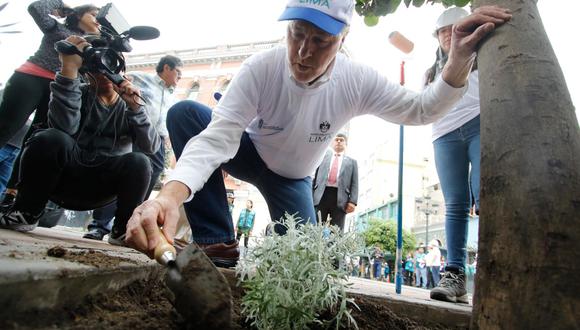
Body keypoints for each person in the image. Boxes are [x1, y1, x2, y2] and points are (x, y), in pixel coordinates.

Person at [125, 0, 512, 268]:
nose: (303, 53)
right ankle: (217, 241)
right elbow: (217, 138)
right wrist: (168, 197)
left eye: (321, 41)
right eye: (297, 34)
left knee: (302, 261)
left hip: (293, 179)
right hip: (249, 153)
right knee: (186, 113)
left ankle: (285, 251)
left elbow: (422, 109)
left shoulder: (356, 79)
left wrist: (459, 61)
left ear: (343, 38)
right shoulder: (262, 67)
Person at [0, 35, 160, 243]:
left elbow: (151, 147)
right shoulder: (72, 93)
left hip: (101, 187)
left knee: (140, 161)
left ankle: (122, 230)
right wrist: (68, 72)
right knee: (50, 137)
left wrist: (136, 109)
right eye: (98, 68)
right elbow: (64, 128)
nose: (106, 74)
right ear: (86, 72)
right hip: (61, 180)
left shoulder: (131, 106)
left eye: (112, 67)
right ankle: (26, 213)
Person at [0, 1, 100, 207]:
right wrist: (64, 7)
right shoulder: (58, 27)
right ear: (79, 15)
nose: (97, 19)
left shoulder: (97, 44)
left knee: (35, 140)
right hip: (31, 78)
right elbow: (36, 7)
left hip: (60, 90)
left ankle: (12, 193)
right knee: (6, 127)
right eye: (93, 14)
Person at [83, 55, 183, 241]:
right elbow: (116, 83)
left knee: (146, 180)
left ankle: (125, 226)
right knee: (123, 174)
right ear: (167, 68)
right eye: (178, 72)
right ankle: (99, 226)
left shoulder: (171, 95)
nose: (180, 77)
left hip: (157, 140)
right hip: (136, 132)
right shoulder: (139, 77)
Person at [425, 7, 482, 304]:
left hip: (480, 124)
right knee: (455, 204)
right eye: (442, 31)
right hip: (444, 135)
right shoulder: (430, 71)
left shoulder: (484, 55)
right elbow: (422, 106)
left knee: (485, 192)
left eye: (454, 27)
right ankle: (455, 275)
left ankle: (492, 268)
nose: (448, 34)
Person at [312, 133, 358, 231]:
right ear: (332, 142)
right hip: (320, 195)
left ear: (346, 144)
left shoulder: (352, 162)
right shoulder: (321, 157)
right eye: (336, 139)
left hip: (341, 199)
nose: (338, 142)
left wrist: (353, 201)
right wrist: (310, 195)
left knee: (336, 230)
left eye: (341, 140)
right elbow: (314, 177)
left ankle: (335, 246)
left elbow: (355, 183)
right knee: (316, 227)